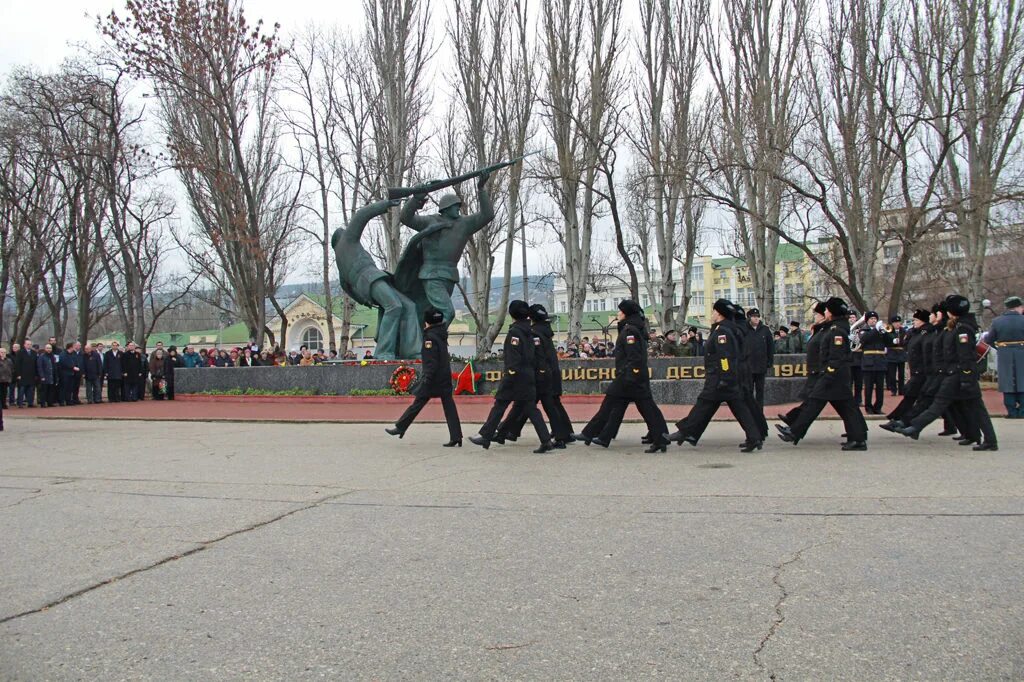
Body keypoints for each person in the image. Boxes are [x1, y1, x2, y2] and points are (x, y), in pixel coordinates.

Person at [897, 295, 997, 450]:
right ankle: (984, 438)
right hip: (954, 373)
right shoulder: (957, 326)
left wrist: (966, 377)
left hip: (960, 373)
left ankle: (915, 426)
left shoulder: (963, 329)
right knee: (972, 407)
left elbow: (965, 356)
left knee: (944, 403)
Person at [666, 300, 763, 452]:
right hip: (725, 377)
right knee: (738, 407)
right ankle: (754, 437)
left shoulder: (722, 331)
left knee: (704, 403)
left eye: (713, 312)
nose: (712, 315)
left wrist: (724, 377)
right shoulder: (726, 328)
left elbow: (724, 357)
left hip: (719, 377)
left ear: (719, 313)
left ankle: (685, 432)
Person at [574, 300, 670, 452]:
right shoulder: (631, 328)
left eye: (620, 312)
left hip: (629, 376)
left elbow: (634, 357)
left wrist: (629, 375)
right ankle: (660, 438)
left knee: (610, 404)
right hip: (633, 376)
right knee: (644, 408)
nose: (617, 314)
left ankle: (589, 433)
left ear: (626, 314)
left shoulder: (630, 331)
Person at [399, 173, 494, 326]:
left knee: (423, 313)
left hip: (449, 276)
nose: (458, 209)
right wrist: (416, 199)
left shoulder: (464, 224)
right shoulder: (431, 221)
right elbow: (405, 218)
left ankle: (419, 343)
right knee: (447, 313)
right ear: (445, 208)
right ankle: (436, 340)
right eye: (455, 206)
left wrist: (481, 189)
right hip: (431, 275)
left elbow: (487, 215)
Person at [776, 297, 868, 451]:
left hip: (834, 375)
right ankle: (858, 438)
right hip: (835, 375)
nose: (824, 312)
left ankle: (794, 431)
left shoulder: (836, 330)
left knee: (815, 402)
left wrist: (828, 374)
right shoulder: (833, 327)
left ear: (832, 312)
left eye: (827, 310)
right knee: (847, 408)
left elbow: (836, 357)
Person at [333, 199, 422, 358]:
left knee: (409, 306)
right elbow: (362, 215)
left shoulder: (340, 262)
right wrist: (386, 204)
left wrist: (364, 300)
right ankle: (384, 352)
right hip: (369, 278)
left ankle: (411, 351)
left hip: (370, 283)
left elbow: (345, 286)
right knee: (394, 306)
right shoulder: (346, 240)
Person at [471, 300, 554, 453]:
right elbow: (536, 357)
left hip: (515, 378)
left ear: (511, 314)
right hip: (528, 376)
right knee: (530, 408)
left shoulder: (515, 333)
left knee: (500, 405)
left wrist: (509, 377)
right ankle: (545, 440)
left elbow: (513, 360)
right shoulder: (530, 332)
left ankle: (486, 435)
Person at [494, 304, 575, 448]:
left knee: (542, 405)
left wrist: (538, 373)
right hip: (550, 372)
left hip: (541, 375)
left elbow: (539, 357)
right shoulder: (544, 331)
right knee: (529, 405)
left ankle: (560, 436)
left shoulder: (535, 333)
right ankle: (506, 432)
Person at [386, 307, 463, 446]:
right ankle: (456, 436)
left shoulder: (430, 338)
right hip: (444, 376)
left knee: (417, 403)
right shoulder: (441, 334)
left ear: (427, 322)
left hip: (433, 379)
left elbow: (431, 362)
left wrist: (427, 378)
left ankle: (400, 427)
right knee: (449, 406)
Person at [778, 301, 829, 430]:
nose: (815, 316)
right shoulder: (818, 328)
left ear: (823, 315)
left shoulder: (825, 329)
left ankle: (794, 426)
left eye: (817, 314)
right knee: (812, 400)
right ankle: (793, 421)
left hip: (821, 371)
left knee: (814, 401)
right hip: (815, 370)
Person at [880, 310, 930, 431]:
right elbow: (907, 344)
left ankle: (902, 421)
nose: (914, 323)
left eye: (916, 320)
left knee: (923, 399)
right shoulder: (914, 332)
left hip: (923, 371)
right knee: (914, 397)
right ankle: (898, 420)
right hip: (917, 370)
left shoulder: (926, 333)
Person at [985, 295, 1024, 418]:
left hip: (1004, 353)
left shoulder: (997, 321)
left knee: (1007, 381)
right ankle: (1022, 411)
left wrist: (999, 347)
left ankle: (1011, 411)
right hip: (1022, 352)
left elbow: (989, 339)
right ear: (1018, 307)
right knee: (1022, 380)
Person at [857, 311, 889, 414]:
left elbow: (889, 342)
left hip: (880, 361)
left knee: (880, 387)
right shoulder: (863, 330)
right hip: (868, 361)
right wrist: (876, 330)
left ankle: (878, 407)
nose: (873, 320)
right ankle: (868, 407)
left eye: (875, 319)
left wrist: (885, 333)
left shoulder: (880, 331)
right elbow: (865, 339)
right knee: (868, 387)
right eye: (871, 319)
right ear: (867, 321)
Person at [744, 308, 775, 409]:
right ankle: (750, 411)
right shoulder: (744, 330)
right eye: (754, 317)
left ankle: (759, 411)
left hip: (761, 366)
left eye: (757, 316)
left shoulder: (765, 330)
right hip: (748, 366)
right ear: (749, 318)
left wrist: (770, 361)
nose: (756, 318)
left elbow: (770, 347)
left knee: (760, 391)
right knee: (748, 391)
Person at [885, 315, 908, 395]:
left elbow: (906, 341)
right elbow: (886, 340)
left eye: (898, 322)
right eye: (895, 322)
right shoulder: (889, 330)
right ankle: (893, 390)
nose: (897, 324)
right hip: (892, 353)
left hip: (901, 353)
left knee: (901, 374)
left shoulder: (903, 331)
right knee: (892, 374)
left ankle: (901, 389)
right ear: (892, 323)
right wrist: (892, 341)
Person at [15, 339, 38, 408]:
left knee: (31, 390)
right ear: (24, 345)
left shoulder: (34, 353)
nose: (29, 346)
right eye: (27, 344)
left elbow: (36, 364)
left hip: (31, 374)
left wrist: (36, 374)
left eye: (30, 344)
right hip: (23, 374)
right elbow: (17, 364)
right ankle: (20, 403)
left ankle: (30, 403)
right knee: (22, 389)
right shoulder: (20, 352)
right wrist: (18, 374)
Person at [848, 311, 864, 406]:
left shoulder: (860, 329)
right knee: (849, 382)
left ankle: (858, 400)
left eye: (853, 317)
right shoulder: (845, 329)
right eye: (850, 317)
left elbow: (863, 341)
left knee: (859, 382)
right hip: (849, 358)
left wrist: (858, 337)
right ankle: (849, 400)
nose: (852, 319)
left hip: (858, 358)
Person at [57, 342, 81, 407]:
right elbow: (64, 362)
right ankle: (62, 401)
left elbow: (75, 361)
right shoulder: (63, 354)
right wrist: (72, 367)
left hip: (71, 374)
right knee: (63, 388)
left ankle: (68, 400)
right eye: (74, 346)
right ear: (70, 347)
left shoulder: (72, 354)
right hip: (64, 374)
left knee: (70, 388)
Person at [36, 343, 58, 408]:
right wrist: (42, 376)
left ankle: (50, 402)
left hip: (51, 376)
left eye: (50, 348)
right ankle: (43, 403)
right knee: (44, 391)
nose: (49, 349)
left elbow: (55, 367)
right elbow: (40, 367)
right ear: (45, 349)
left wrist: (56, 376)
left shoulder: (53, 356)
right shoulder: (42, 356)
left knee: (51, 390)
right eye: (47, 348)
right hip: (45, 376)